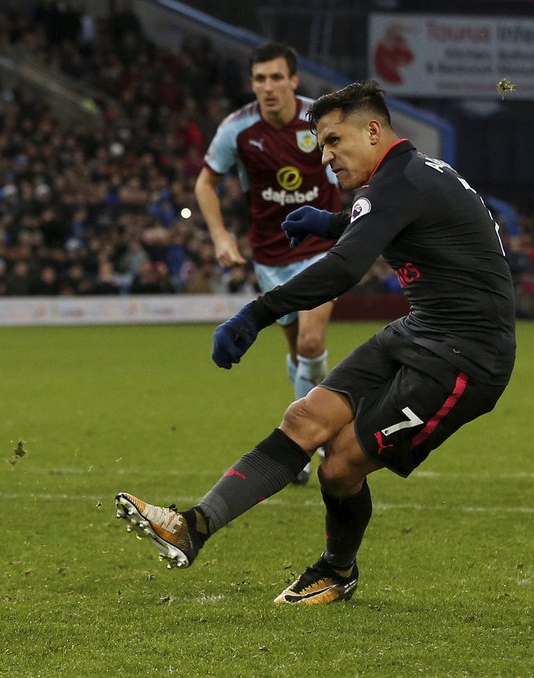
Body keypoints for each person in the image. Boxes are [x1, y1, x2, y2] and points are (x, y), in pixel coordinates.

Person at [116, 80, 516, 605]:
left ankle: (336, 570)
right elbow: (403, 225)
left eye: (333, 141)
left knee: (340, 463)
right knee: (305, 418)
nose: (325, 157)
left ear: (373, 130)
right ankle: (194, 525)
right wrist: (332, 222)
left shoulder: (400, 183)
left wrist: (256, 313)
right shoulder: (411, 174)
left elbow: (346, 268)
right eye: (321, 145)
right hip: (422, 329)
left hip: (466, 357)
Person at [194, 42, 343, 484]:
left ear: (293, 81)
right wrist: (221, 235)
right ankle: (315, 415)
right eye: (260, 79)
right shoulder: (236, 129)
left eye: (277, 77)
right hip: (270, 256)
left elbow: (353, 162)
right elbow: (206, 183)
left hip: (321, 247)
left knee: (313, 343)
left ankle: (299, 447)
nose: (268, 87)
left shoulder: (319, 118)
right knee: (299, 351)